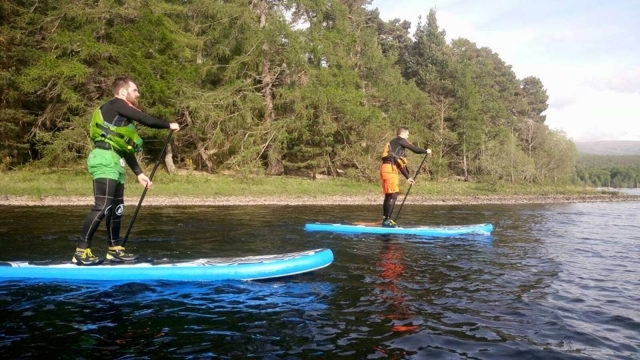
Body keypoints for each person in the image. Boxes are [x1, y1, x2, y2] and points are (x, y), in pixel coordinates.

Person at [72, 76, 180, 265]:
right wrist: (167, 125)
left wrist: (139, 173)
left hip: (115, 160)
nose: (138, 94)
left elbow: (125, 148)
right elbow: (144, 118)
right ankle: (81, 251)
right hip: (104, 158)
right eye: (135, 90)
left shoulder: (121, 119)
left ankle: (114, 250)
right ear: (123, 92)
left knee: (117, 209)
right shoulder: (116, 104)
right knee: (103, 206)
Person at [379, 126, 430, 227]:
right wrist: (425, 151)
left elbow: (399, 164)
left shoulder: (395, 146)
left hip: (387, 168)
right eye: (407, 134)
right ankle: (386, 221)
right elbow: (414, 149)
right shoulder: (400, 140)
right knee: (392, 194)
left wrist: (408, 177)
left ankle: (386, 219)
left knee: (390, 194)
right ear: (402, 134)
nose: (408, 136)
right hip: (389, 169)